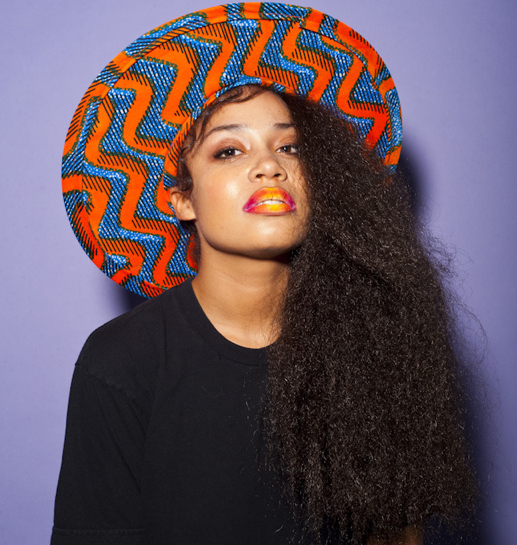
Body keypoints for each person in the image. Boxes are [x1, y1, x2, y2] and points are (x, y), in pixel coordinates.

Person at [52, 4, 477, 544]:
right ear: (182, 199)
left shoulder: (373, 340)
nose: (270, 166)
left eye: (290, 147)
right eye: (229, 150)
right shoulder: (121, 360)